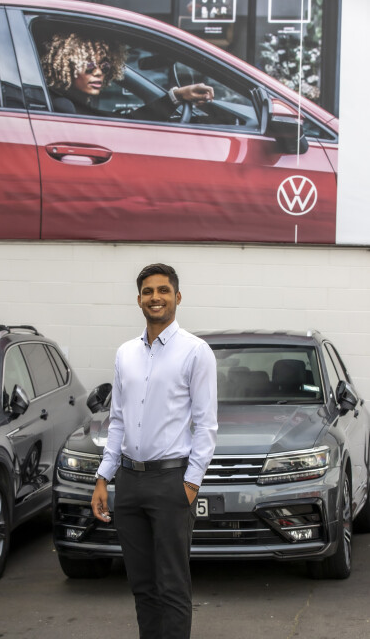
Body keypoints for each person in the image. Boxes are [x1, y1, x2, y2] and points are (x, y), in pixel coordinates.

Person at [91, 263, 218, 639]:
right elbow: (117, 421)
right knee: (142, 586)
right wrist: (103, 477)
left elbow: (206, 426)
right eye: (148, 291)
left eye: (163, 290)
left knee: (172, 586)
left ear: (177, 297)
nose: (155, 297)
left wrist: (190, 484)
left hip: (171, 482)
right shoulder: (125, 354)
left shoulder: (196, 352)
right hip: (129, 482)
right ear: (139, 300)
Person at [40, 33, 214, 119]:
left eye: (105, 66)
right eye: (90, 66)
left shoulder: (76, 105)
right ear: (68, 65)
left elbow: (121, 122)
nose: (99, 72)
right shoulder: (63, 108)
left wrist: (177, 95)